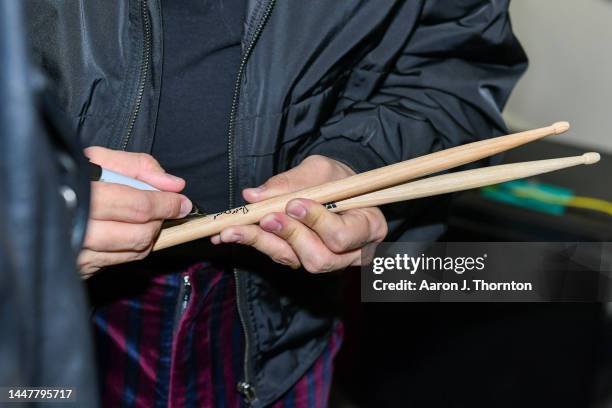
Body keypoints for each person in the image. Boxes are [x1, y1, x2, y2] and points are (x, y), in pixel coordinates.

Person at [25, 0, 527, 406]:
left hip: (274, 319)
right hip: (35, 327)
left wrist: (355, 162)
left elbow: (451, 70)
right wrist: (19, 202)